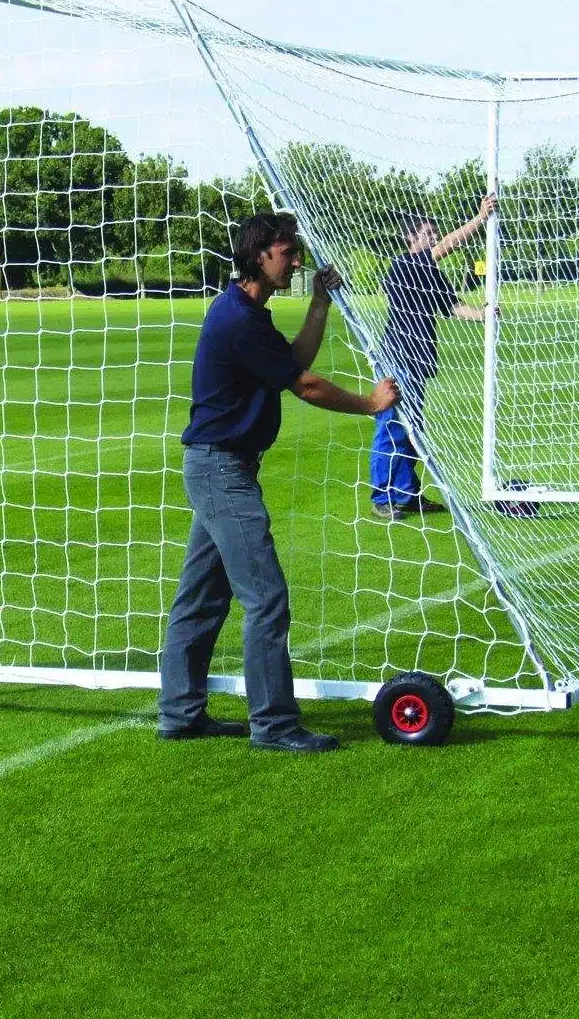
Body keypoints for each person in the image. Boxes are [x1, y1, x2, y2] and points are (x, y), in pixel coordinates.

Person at [157, 213, 399, 753]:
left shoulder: (246, 312)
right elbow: (305, 385)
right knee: (266, 599)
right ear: (260, 254)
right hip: (223, 471)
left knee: (200, 599)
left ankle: (180, 714)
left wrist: (319, 303)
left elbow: (289, 362)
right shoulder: (240, 320)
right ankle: (274, 725)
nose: (296, 260)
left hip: (220, 467)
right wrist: (370, 405)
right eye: (289, 253)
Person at [370, 193, 492, 520]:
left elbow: (450, 306)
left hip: (419, 362)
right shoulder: (404, 264)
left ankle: (407, 494)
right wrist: (479, 219)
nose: (434, 239)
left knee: (413, 430)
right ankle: (382, 497)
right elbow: (444, 248)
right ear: (411, 238)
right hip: (398, 360)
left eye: (434, 234)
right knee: (392, 427)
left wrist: (483, 314)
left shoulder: (431, 272)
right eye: (428, 233)